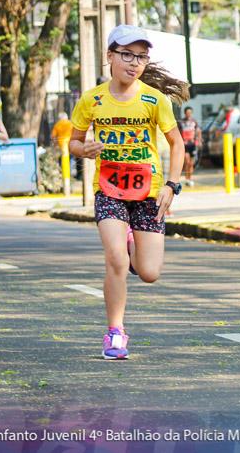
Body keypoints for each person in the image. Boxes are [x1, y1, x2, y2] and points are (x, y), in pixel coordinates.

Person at [68, 24, 187, 360]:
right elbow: (73, 142)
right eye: (127, 55)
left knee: (149, 273)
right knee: (115, 259)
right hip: (109, 189)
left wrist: (171, 185)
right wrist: (84, 149)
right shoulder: (91, 100)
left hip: (148, 192)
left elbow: (177, 144)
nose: (134, 63)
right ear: (110, 56)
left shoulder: (154, 100)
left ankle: (133, 242)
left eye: (141, 57)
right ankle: (115, 332)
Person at [177, 107, 201, 186]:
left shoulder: (194, 121)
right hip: (185, 144)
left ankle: (190, 179)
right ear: (185, 113)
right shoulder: (181, 122)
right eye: (187, 112)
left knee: (191, 163)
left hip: (192, 144)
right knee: (187, 162)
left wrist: (199, 140)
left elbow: (198, 131)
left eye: (190, 112)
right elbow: (178, 132)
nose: (188, 114)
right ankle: (186, 178)